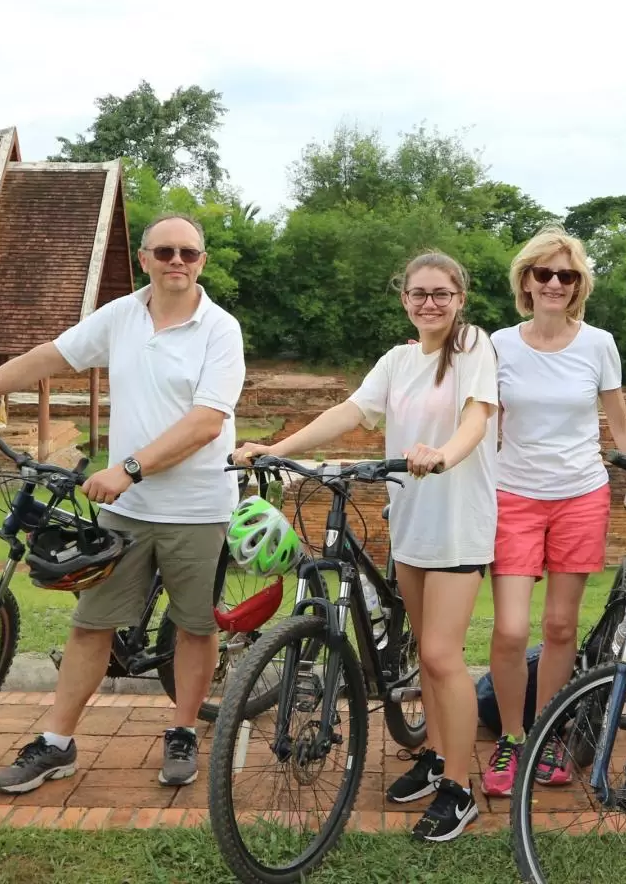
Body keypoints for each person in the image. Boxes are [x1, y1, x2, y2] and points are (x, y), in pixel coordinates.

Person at [0, 213, 246, 791]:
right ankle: (56, 742)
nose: (176, 262)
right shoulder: (121, 316)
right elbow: (50, 357)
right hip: (125, 506)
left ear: (202, 261)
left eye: (187, 253)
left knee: (193, 625)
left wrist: (129, 469)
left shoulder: (219, 329)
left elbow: (207, 423)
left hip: (196, 505)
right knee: (91, 623)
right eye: (164, 253)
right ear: (146, 261)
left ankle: (181, 729)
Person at [234, 250, 497, 843]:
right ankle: (433, 757)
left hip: (458, 521)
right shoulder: (399, 360)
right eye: (419, 293)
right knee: (424, 657)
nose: (430, 303)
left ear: (460, 299)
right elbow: (350, 410)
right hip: (412, 522)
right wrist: (279, 448)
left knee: (440, 655)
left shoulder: (473, 346)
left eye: (442, 293)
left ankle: (460, 790)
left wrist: (443, 455)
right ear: (404, 299)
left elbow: (478, 418)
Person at [482, 226, 626, 797]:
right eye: (544, 273)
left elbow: (619, 421)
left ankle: (549, 732)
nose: (554, 283)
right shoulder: (498, 344)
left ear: (579, 285)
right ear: (525, 281)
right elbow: (480, 416)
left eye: (567, 275)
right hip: (514, 494)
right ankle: (511, 736)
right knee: (509, 630)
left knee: (558, 627)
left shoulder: (598, 344)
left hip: (580, 493)